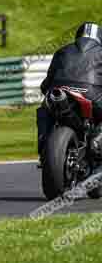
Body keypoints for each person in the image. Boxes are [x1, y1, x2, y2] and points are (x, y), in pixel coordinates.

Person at [38, 22, 102, 162]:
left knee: (44, 109)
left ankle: (44, 148)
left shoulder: (62, 51)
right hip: (92, 95)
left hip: (60, 93)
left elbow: (46, 84)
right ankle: (97, 143)